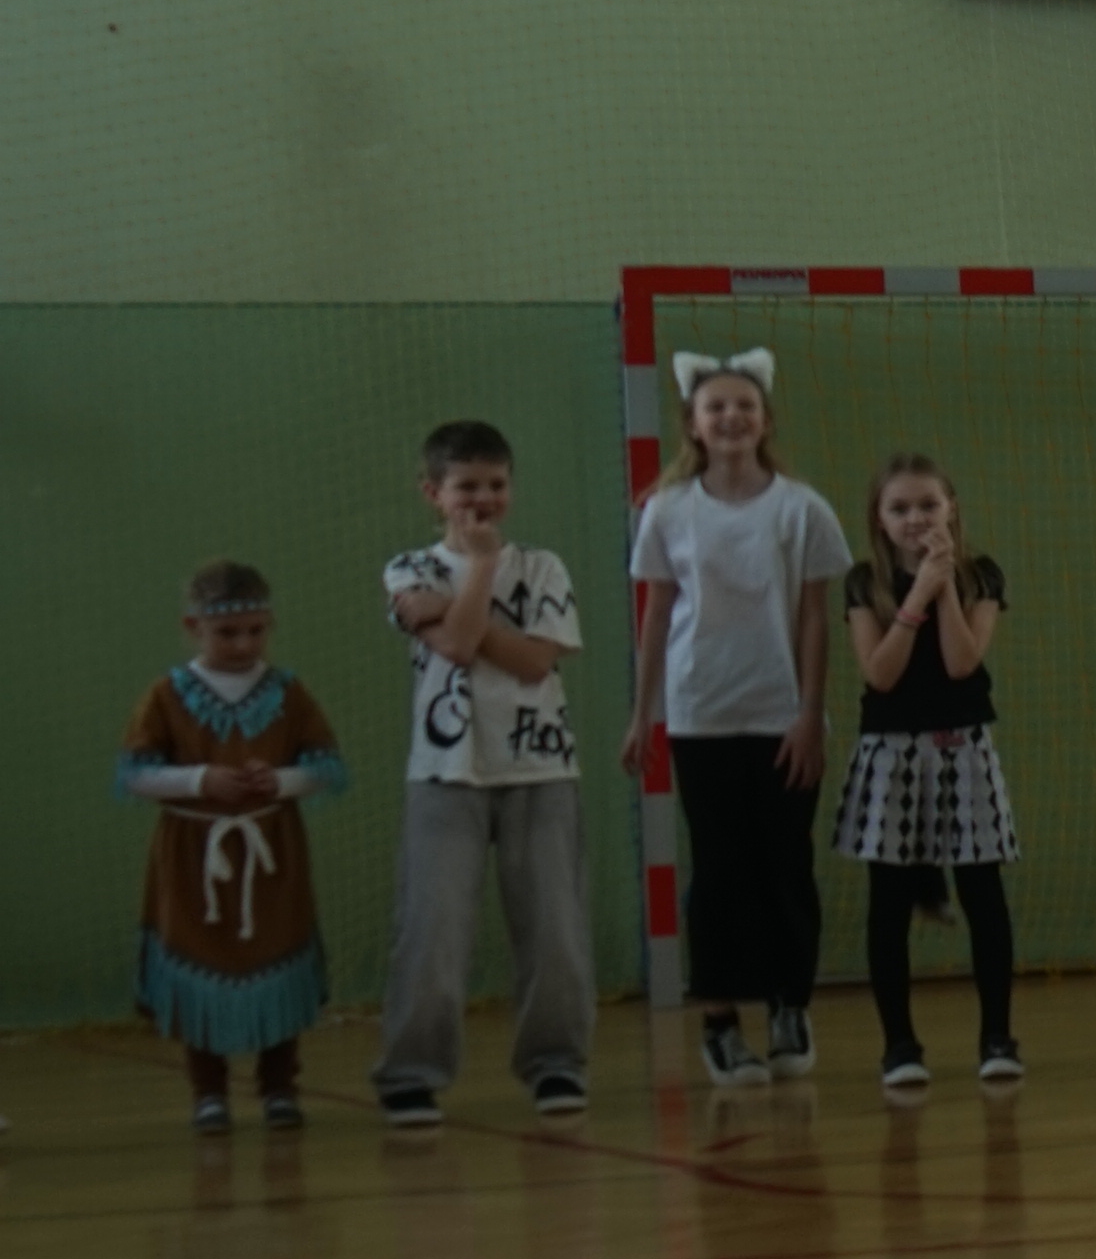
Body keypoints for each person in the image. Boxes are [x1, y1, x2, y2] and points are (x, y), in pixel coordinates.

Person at [622, 346, 849, 1085]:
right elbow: (657, 614)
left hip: (783, 715)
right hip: (702, 714)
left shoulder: (801, 508)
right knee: (719, 870)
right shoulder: (667, 510)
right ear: (692, 423)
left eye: (744, 405)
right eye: (715, 406)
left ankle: (789, 1007)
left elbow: (814, 617)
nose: (730, 417)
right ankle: (720, 1022)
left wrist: (809, 712)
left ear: (766, 420)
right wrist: (643, 714)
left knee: (785, 863)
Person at [371, 420, 597, 1127]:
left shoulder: (544, 567)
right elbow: (459, 647)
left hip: (541, 768)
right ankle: (412, 1073)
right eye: (466, 487)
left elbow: (534, 662)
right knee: (432, 930)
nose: (483, 500)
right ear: (433, 493)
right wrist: (476, 572)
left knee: (555, 929)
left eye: (496, 485)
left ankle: (556, 1064)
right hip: (445, 772)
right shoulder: (409, 570)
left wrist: (460, 605)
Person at [128, 562, 345, 1131]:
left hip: (272, 852)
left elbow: (325, 765)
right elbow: (136, 773)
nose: (244, 644)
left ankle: (280, 1086)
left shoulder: (288, 692)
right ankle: (208, 1091)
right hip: (192, 855)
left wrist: (281, 781)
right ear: (193, 627)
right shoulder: (167, 695)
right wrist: (201, 781)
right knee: (197, 962)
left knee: (279, 958)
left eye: (255, 631)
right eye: (228, 633)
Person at [835, 453, 1022, 1094]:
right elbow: (880, 674)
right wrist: (914, 595)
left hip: (963, 748)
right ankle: (899, 1045)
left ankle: (997, 1038)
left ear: (951, 511)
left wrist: (943, 587)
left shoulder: (981, 574)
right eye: (900, 508)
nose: (915, 518)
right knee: (889, 901)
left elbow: (962, 662)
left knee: (982, 895)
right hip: (890, 753)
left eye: (927, 506)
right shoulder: (864, 582)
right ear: (879, 519)